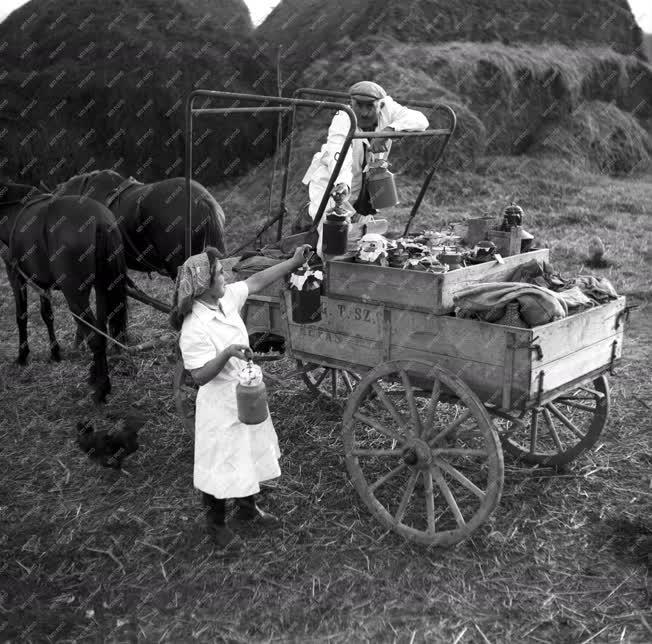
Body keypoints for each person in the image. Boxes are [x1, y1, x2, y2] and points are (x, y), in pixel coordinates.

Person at [170, 244, 313, 547]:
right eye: (219, 274)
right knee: (219, 463)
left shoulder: (223, 301)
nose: (225, 276)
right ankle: (216, 525)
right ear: (203, 286)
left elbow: (256, 280)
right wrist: (227, 353)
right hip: (220, 404)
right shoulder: (195, 327)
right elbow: (199, 376)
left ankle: (247, 507)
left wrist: (293, 261)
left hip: (245, 394)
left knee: (248, 450)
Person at [300, 81, 430, 253]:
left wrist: (388, 131)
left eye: (370, 106)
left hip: (364, 185)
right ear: (351, 103)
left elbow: (421, 120)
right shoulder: (343, 118)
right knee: (331, 231)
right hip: (331, 181)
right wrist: (342, 184)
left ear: (381, 104)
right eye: (358, 105)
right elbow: (339, 152)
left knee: (361, 236)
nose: (363, 112)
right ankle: (325, 272)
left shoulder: (388, 108)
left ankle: (356, 270)